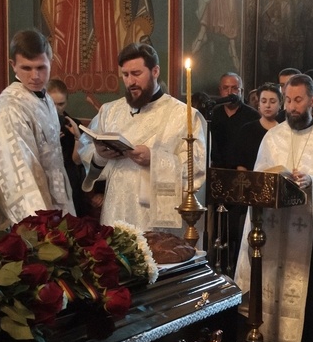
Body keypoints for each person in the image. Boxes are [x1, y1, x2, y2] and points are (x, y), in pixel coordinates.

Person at [232, 74, 313, 342]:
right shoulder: (273, 137)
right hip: (272, 228)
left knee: (303, 289)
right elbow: (258, 178)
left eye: (298, 101)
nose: (292, 107)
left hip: (306, 232)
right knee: (271, 283)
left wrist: (312, 183)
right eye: (288, 101)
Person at [79, 43, 204, 234]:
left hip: (154, 218)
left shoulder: (183, 116)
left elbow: (197, 170)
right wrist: (100, 155)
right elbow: (85, 150)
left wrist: (154, 159)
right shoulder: (110, 111)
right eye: (125, 75)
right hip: (115, 209)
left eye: (136, 73)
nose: (130, 81)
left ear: (155, 71)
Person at [0, 29, 74, 228]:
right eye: (26, 68)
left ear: (51, 61)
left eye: (41, 67)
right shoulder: (8, 109)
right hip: (34, 216)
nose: (35, 76)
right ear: (13, 65)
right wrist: (40, 227)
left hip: (58, 205)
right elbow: (17, 177)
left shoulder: (45, 98)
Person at [46, 78, 89, 217]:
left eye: (61, 104)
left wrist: (77, 137)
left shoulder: (73, 124)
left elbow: (77, 161)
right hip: (46, 180)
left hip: (70, 181)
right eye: (52, 103)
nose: (56, 108)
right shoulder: (37, 124)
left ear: (66, 102)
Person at [210, 72, 260, 170]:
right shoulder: (213, 114)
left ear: (241, 91)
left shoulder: (252, 116)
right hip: (217, 169)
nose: (229, 92)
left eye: (234, 88)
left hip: (244, 171)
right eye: (225, 88)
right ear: (220, 90)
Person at [233, 82, 280, 171]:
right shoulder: (247, 130)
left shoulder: (284, 131)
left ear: (280, 104)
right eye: (263, 101)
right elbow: (241, 164)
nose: (268, 105)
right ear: (258, 104)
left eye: (272, 101)